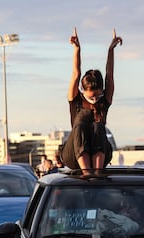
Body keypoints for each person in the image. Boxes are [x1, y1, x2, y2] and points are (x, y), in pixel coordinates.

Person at [61, 27, 122, 175]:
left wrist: (111, 50)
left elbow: (109, 75)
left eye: (97, 96)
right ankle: (87, 172)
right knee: (80, 125)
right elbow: (76, 74)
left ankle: (97, 172)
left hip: (100, 150)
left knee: (98, 126)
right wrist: (77, 49)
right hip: (74, 154)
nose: (95, 100)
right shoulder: (75, 99)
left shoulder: (104, 100)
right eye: (91, 97)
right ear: (83, 91)